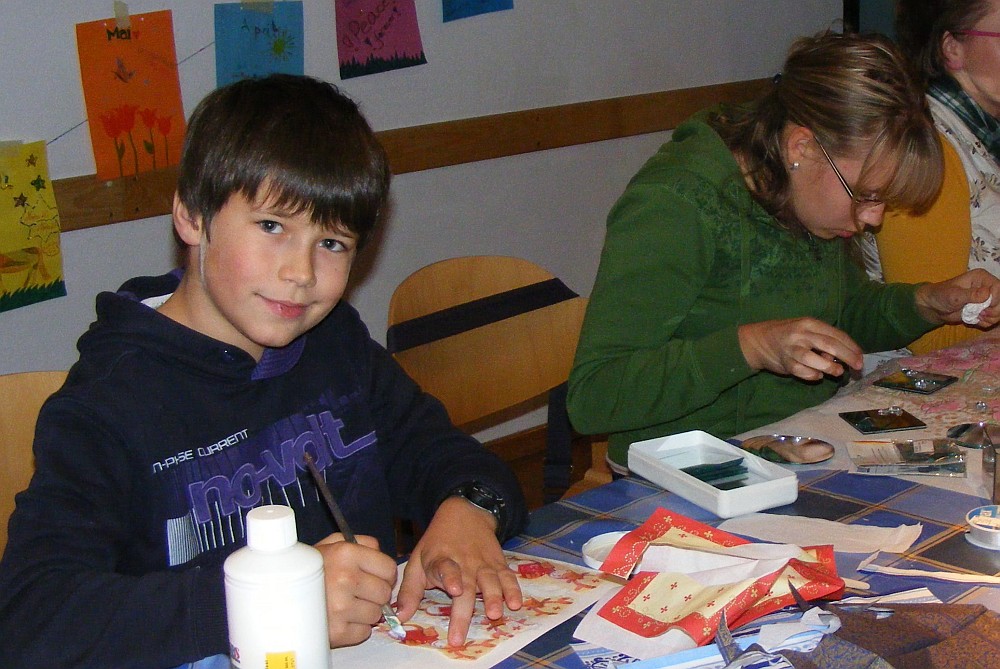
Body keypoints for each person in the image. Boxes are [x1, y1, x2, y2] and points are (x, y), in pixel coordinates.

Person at [0, 74, 527, 668]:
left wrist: (470, 507)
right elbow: (31, 620)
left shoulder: (333, 343)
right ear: (191, 216)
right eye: (273, 227)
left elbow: (439, 452)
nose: (301, 273)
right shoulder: (107, 405)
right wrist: (268, 598)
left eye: (332, 243)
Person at [566, 31, 1000, 471]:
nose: (873, 218)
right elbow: (594, 398)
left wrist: (924, 303)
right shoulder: (674, 205)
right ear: (802, 148)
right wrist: (752, 347)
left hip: (794, 442)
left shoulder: (800, 193)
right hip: (683, 468)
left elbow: (839, 315)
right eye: (866, 195)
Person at [858, 0, 1000, 355]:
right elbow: (929, 339)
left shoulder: (986, 130)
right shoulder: (927, 150)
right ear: (952, 49)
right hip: (919, 379)